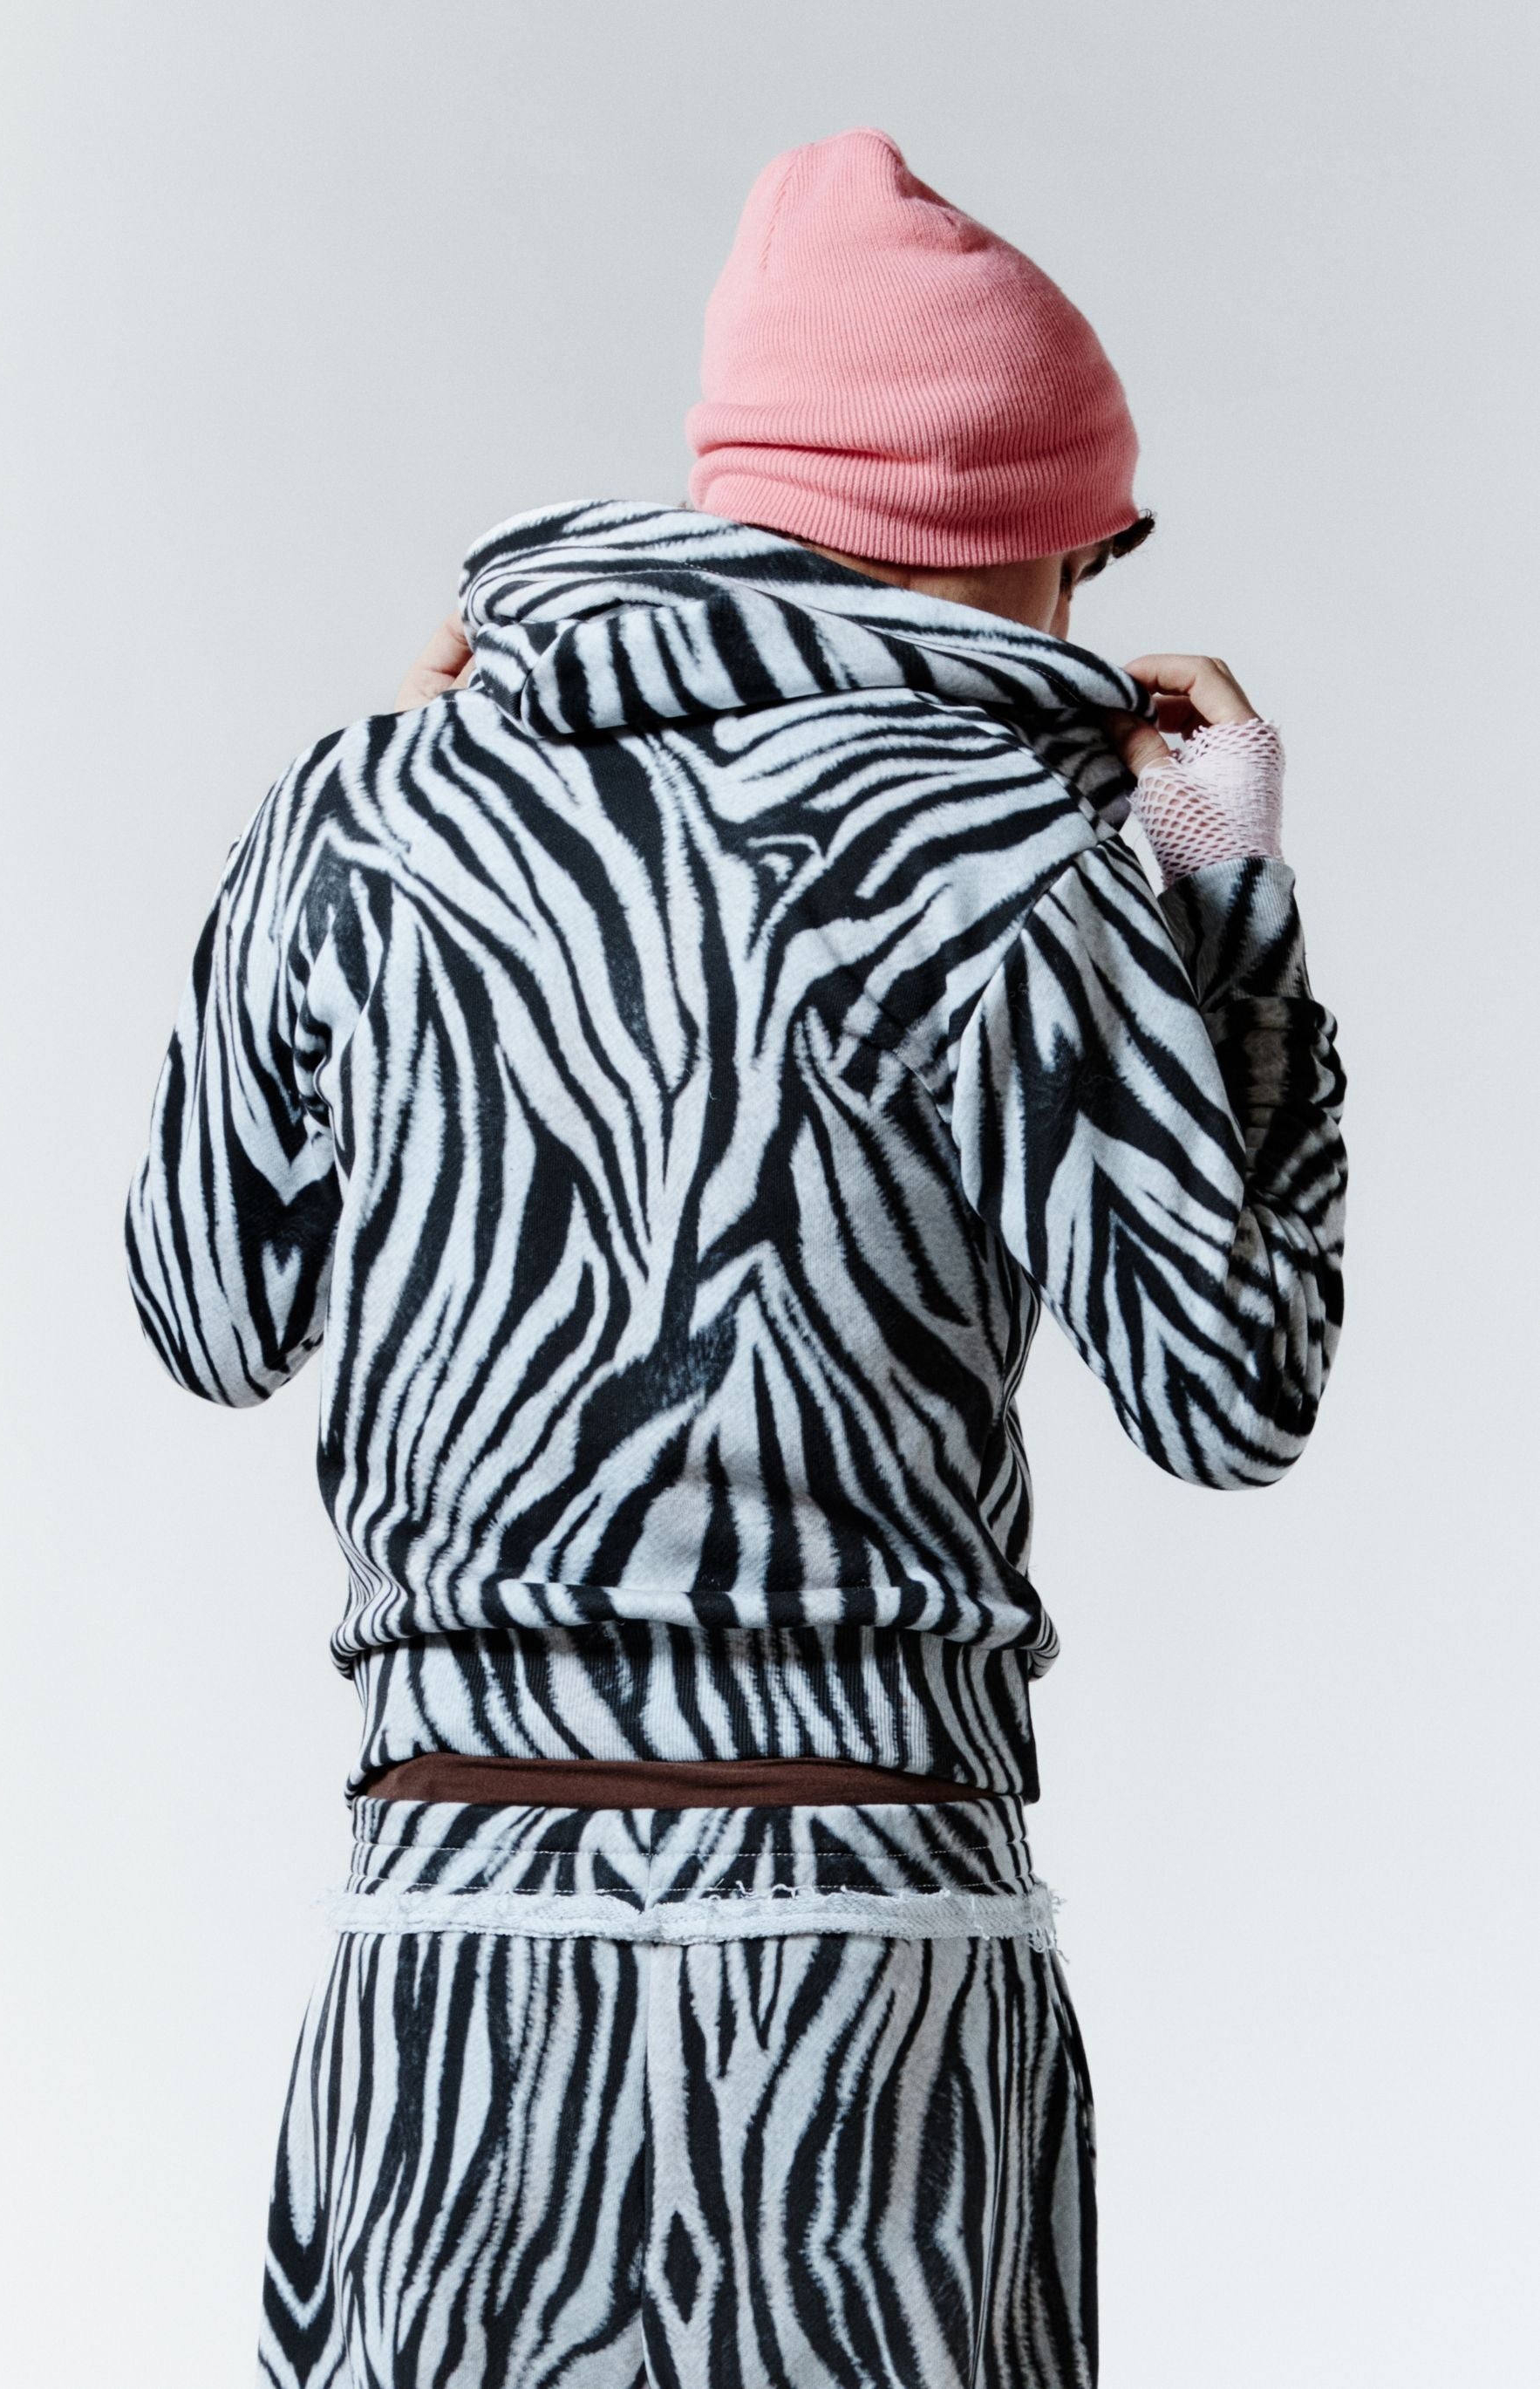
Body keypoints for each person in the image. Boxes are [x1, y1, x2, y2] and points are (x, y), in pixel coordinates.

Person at [126, 127, 1346, 2389]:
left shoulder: (367, 810)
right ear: (1011, 536)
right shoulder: (1007, 845)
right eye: (1094, 549)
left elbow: (207, 1313)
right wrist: (1226, 896)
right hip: (875, 1966)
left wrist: (358, 829)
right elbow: (1229, 1389)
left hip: (458, 1946)